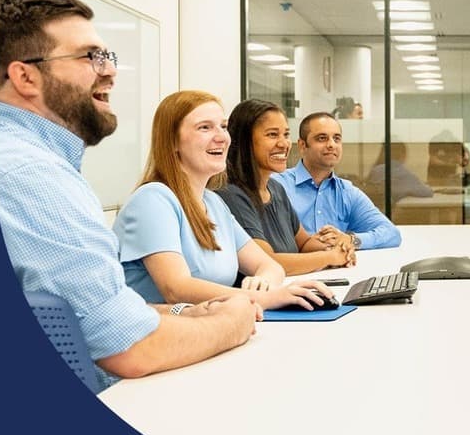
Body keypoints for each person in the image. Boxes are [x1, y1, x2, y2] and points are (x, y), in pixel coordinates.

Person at [0, 0, 258, 387]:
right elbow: (130, 349)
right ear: (25, 76)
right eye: (89, 57)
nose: (110, 71)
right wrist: (232, 322)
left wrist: (183, 314)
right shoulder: (31, 174)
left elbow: (86, 313)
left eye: (108, 57)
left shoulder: (15, 158)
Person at [114, 91, 334, 310]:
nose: (221, 137)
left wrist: (263, 282)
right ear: (172, 142)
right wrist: (262, 298)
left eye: (223, 126)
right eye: (205, 127)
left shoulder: (214, 203)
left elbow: (269, 265)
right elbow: (176, 288)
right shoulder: (152, 200)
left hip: (209, 330)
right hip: (157, 338)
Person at [214, 99, 356, 275]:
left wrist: (339, 245)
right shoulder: (231, 194)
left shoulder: (275, 188)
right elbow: (266, 262)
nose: (283, 144)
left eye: (286, 135)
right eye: (273, 135)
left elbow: (303, 243)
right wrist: (330, 258)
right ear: (245, 141)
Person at [272, 111, 403, 251]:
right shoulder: (276, 186)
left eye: (337, 138)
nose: (331, 145)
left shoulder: (347, 192)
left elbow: (391, 234)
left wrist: (350, 240)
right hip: (291, 270)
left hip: (337, 270)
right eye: (322, 138)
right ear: (302, 145)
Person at [365, 141, 434, 206]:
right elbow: (427, 192)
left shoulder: (375, 171)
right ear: (403, 155)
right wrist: (426, 186)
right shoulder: (405, 175)